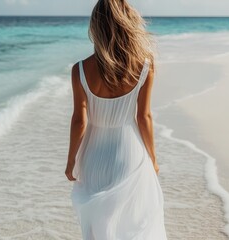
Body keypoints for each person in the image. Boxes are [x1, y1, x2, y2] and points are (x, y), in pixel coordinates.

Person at [65, 0, 167, 239]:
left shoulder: (80, 69)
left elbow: (79, 121)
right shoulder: (144, 66)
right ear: (127, 23)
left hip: (93, 154)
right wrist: (152, 158)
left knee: (98, 228)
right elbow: (144, 117)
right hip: (128, 151)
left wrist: (71, 161)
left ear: (96, 27)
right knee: (132, 225)